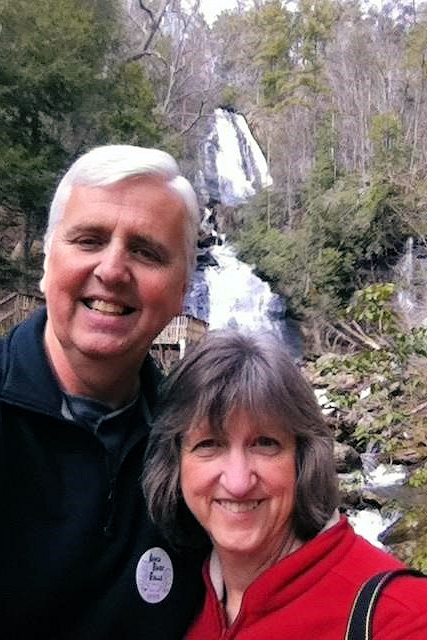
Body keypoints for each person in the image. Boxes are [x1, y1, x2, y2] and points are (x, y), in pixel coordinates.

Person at [0, 145, 209, 639]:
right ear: (47, 262)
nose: (113, 270)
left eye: (146, 251)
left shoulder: (202, 451)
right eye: (89, 240)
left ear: (183, 289)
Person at [143, 330, 427, 639]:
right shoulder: (176, 602)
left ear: (304, 458)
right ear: (175, 464)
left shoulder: (403, 616)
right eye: (209, 444)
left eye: (265, 444)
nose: (238, 482)